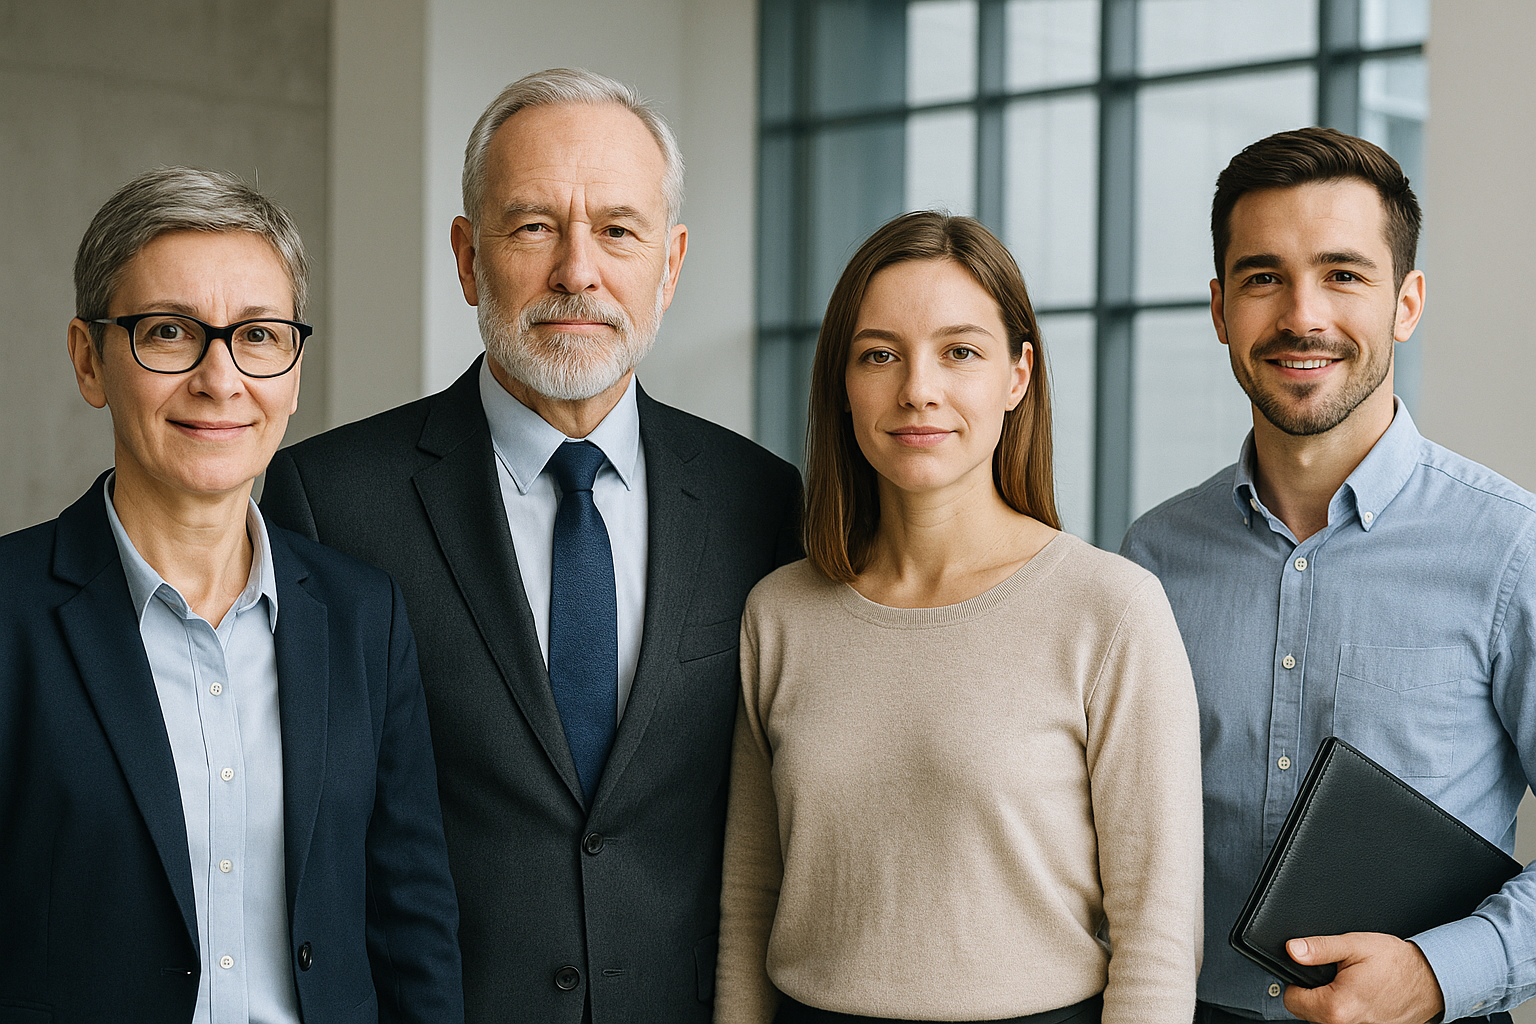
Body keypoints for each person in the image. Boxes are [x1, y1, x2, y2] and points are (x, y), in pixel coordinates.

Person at [259, 68, 801, 1023]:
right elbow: (309, 849)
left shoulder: (758, 501)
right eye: (533, 226)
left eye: (618, 232)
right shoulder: (330, 500)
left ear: (669, 265)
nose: (577, 272)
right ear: (468, 258)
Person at [714, 212, 1204, 1024]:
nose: (918, 388)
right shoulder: (781, 612)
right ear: (843, 382)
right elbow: (749, 899)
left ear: (1017, 376)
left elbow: (1155, 931)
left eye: (960, 352)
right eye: (880, 355)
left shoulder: (1109, 610)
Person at [0, 167, 463, 1023]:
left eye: (257, 336)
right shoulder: (10, 616)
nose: (221, 380)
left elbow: (412, 929)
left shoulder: (365, 617)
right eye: (169, 332)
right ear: (87, 359)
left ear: (291, 369)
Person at [1121, 126, 1536, 1024]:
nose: (1302, 315)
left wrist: (1440, 972)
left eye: (1344, 274)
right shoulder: (1150, 559)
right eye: (1263, 276)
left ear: (1407, 302)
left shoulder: (1511, 549)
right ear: (1220, 308)